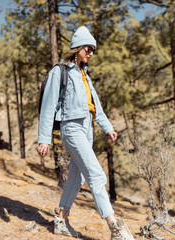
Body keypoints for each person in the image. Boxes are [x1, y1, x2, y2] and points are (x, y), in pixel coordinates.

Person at [37, 26, 134, 240]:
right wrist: (44, 138)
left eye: (93, 50)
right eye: (88, 48)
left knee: (77, 176)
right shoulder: (59, 71)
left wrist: (107, 127)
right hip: (71, 128)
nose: (90, 53)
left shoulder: (85, 75)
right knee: (96, 174)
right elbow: (48, 105)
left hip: (86, 128)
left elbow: (95, 105)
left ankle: (60, 219)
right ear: (77, 48)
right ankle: (114, 228)